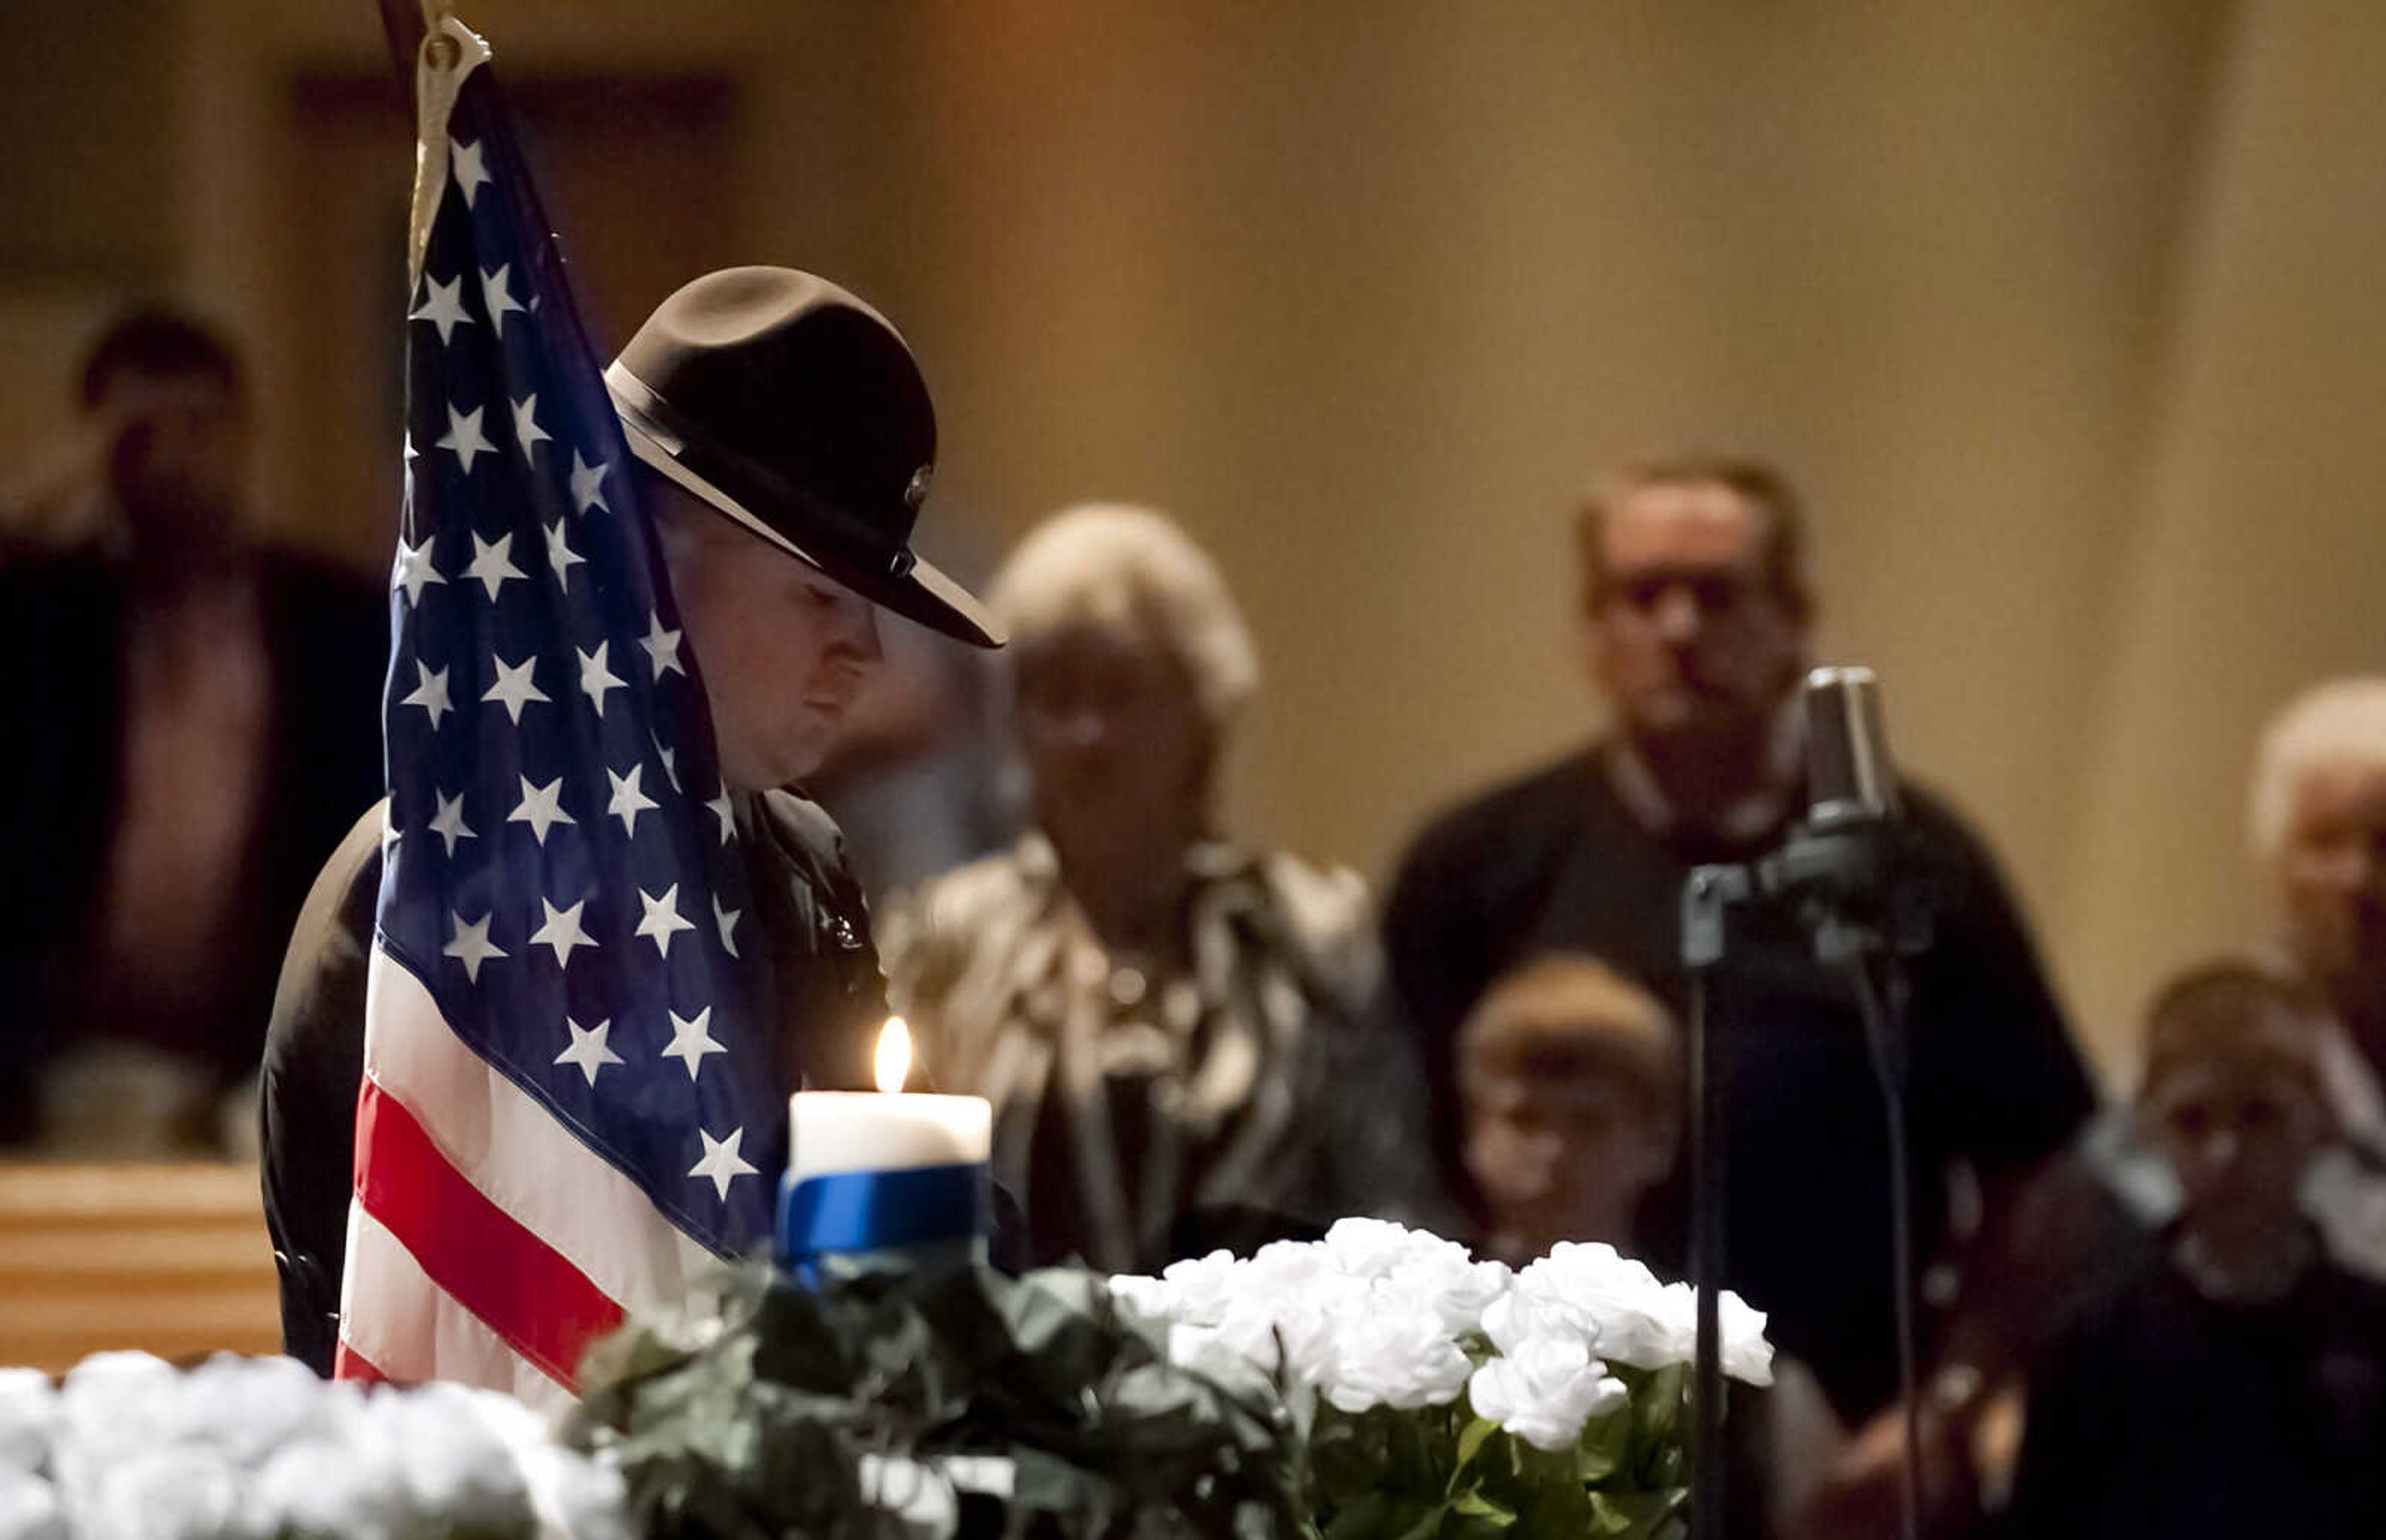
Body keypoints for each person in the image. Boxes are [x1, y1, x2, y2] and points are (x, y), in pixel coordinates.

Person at [260, 268, 1003, 1373]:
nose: (867, 652)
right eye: (820, 594)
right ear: (646, 567)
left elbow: (867, 1260)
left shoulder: (796, 863)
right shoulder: (427, 894)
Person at [1382, 454, 2095, 1434]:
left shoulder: (1909, 862)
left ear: (1796, 619)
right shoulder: (1477, 863)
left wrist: (1950, 1399)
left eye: (1717, 595)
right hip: (1537, 1432)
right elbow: (1389, 1154)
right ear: (1594, 633)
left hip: (1838, 1449)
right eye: (1643, 596)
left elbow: (2042, 1170)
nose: (1679, 629)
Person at [880, 503, 1425, 1273]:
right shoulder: (948, 936)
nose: (1087, 731)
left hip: (1258, 1378)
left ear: (1204, 708)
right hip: (1007, 1375)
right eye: (1053, 693)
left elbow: (1391, 1202)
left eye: (1120, 689)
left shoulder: (1308, 932)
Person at [0, 309, 385, 1153]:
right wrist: (48, 486)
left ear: (242, 435)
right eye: (144, 435)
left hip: (268, 1062)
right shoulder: (47, 621)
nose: (176, 462)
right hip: (70, 1070)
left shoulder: (330, 621)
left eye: (201, 428)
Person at [2004, 960, 2386, 1539]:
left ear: (2322, 1123)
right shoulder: (2089, 1357)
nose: (2225, 1153)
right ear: (2149, 1129)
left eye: (2260, 1114)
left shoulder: (2371, 1335)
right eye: (2192, 1121)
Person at [1456, 953, 1680, 1267]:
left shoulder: (1687, 1316)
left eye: (1589, 1123)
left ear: (1656, 1141)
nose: (1554, 1151)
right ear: (1473, 1130)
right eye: (1525, 1119)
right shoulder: (1415, 1309)